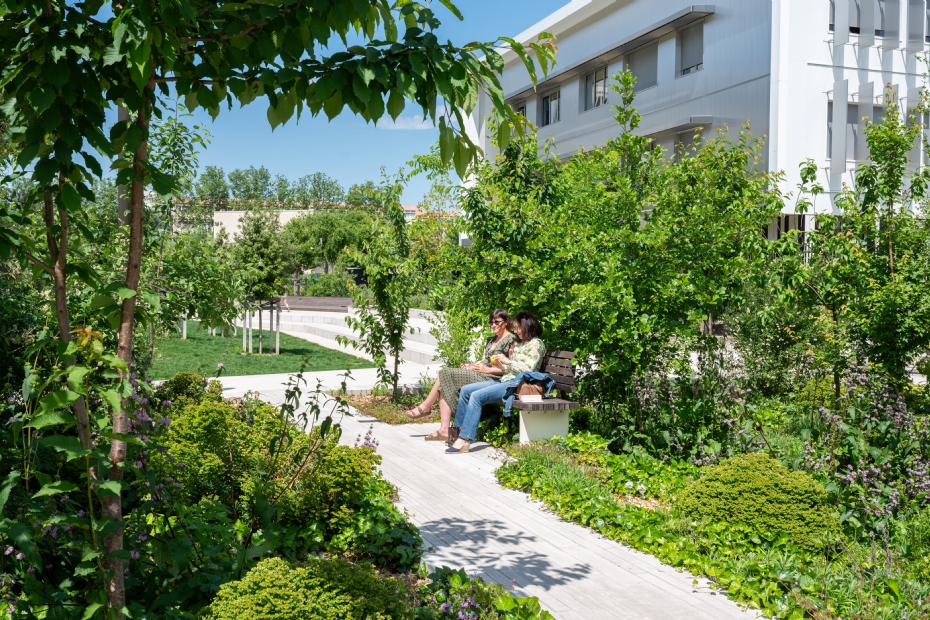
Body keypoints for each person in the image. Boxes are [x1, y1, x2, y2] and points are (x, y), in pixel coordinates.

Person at [405, 309, 516, 442]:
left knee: (445, 373)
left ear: (506, 322)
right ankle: (444, 430)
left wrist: (487, 370)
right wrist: (471, 365)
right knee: (444, 385)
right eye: (491, 323)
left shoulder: (511, 340)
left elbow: (511, 367)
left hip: (494, 378)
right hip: (481, 373)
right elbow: (485, 360)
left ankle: (426, 407)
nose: (493, 325)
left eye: (497, 322)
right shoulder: (492, 339)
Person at [446, 311, 546, 454]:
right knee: (466, 390)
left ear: (527, 326)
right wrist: (500, 364)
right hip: (506, 380)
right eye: (515, 327)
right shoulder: (521, 344)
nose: (516, 331)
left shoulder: (536, 344)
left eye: (518, 327)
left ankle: (464, 439)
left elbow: (527, 369)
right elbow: (510, 368)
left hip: (518, 385)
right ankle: (456, 434)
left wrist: (508, 361)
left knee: (476, 397)